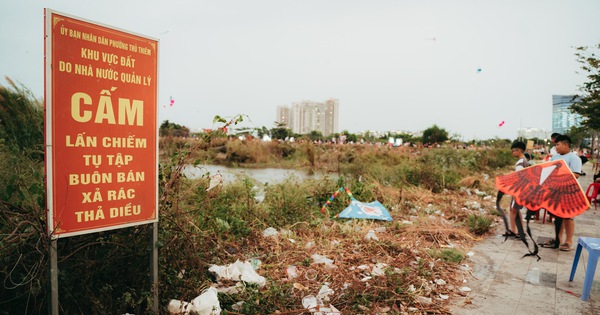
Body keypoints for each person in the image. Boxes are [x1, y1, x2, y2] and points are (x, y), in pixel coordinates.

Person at [550, 135, 582, 251]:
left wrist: (560, 173)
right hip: (556, 191)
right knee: (558, 217)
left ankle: (568, 242)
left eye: (558, 145)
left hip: (569, 192)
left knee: (568, 217)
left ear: (565, 145)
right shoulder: (554, 157)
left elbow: (576, 174)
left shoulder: (574, 158)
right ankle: (558, 239)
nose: (556, 147)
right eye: (555, 145)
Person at [503, 141, 529, 238]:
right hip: (522, 189)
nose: (512, 153)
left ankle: (516, 231)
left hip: (519, 189)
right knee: (515, 209)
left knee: (513, 209)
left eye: (513, 151)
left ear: (518, 150)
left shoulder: (520, 162)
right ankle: (517, 230)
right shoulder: (524, 160)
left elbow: (520, 177)